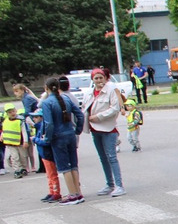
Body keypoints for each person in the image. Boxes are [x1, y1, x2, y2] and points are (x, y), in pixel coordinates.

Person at [38, 77, 85, 205]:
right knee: (73, 164)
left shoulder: (48, 102)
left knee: (64, 167)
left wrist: (47, 138)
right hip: (70, 133)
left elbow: (49, 124)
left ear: (46, 88)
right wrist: (78, 130)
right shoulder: (66, 98)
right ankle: (78, 192)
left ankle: (72, 194)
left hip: (58, 136)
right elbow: (80, 115)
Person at [82, 68, 125, 197]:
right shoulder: (89, 93)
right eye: (96, 78)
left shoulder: (111, 90)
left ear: (106, 78)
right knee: (103, 158)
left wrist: (98, 117)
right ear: (92, 80)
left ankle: (119, 185)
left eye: (101, 77)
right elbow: (84, 108)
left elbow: (114, 108)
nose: (99, 80)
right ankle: (109, 184)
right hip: (95, 129)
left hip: (108, 129)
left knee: (112, 157)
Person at [27, 110, 60, 202]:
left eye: (36, 117)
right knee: (49, 175)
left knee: (52, 175)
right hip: (44, 155)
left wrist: (35, 139)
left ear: (42, 117)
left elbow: (46, 142)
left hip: (48, 154)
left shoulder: (45, 127)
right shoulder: (40, 127)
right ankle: (51, 192)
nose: (34, 119)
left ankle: (56, 193)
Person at [2, 104, 28, 177]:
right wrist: (2, 136)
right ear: (7, 114)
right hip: (11, 143)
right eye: (10, 112)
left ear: (16, 111)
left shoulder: (20, 120)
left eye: (13, 111)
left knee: (23, 156)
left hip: (20, 142)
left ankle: (23, 168)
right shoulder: (6, 121)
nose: (12, 113)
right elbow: (4, 129)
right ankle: (17, 170)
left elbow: (24, 131)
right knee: (15, 157)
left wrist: (25, 141)